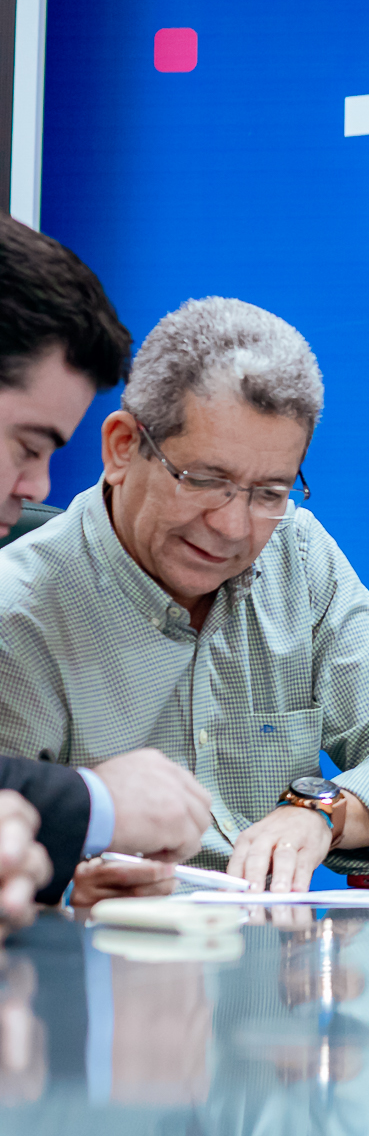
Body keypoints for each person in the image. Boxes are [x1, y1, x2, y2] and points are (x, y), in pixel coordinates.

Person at [0, 296, 369, 897]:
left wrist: (320, 812)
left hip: (282, 951)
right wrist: (70, 895)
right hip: (106, 951)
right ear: (121, 447)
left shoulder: (298, 554)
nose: (232, 527)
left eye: (270, 492)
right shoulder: (17, 611)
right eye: (205, 480)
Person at [0, 216, 213, 921]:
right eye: (27, 445)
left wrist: (37, 866)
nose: (37, 487)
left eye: (268, 492)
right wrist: (101, 802)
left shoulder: (305, 556)